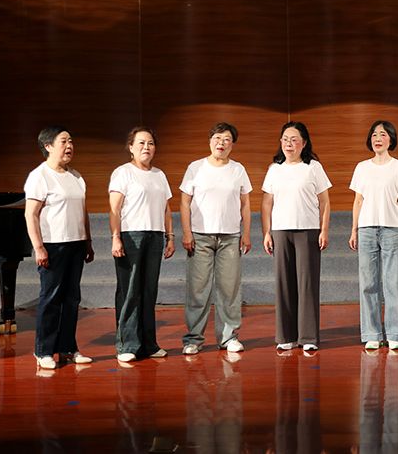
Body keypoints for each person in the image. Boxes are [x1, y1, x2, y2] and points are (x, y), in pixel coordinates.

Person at [24, 126, 95, 370]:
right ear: (48, 146)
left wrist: (88, 241)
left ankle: (67, 348)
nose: (69, 146)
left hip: (76, 243)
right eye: (63, 141)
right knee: (51, 298)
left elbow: (83, 212)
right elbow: (31, 214)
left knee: (72, 298)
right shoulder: (39, 176)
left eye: (71, 141)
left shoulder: (76, 176)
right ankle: (43, 350)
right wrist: (39, 247)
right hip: (53, 245)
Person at [180, 122, 252, 355]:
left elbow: (245, 204)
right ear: (210, 141)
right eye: (217, 138)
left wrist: (246, 233)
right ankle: (193, 339)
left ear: (232, 144)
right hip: (200, 237)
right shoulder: (195, 167)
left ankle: (229, 337)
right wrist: (187, 232)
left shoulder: (238, 169)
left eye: (227, 139)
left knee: (229, 289)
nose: (221, 143)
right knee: (198, 289)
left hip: (230, 237)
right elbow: (184, 202)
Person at [261, 122, 331, 352]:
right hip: (281, 231)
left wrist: (324, 229)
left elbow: (324, 201)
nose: (288, 144)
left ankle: (308, 336)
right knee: (284, 283)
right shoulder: (274, 169)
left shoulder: (313, 167)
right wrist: (267, 232)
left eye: (294, 139)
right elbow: (267, 203)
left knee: (307, 284)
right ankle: (286, 335)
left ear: (304, 143)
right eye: (285, 139)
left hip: (308, 230)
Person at [109, 127, 175, 363]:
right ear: (131, 147)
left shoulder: (159, 175)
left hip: (155, 235)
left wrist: (170, 236)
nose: (146, 147)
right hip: (131, 236)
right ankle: (127, 344)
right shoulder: (123, 172)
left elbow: (166, 208)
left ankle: (148, 344)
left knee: (149, 291)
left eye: (150, 143)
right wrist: (115, 237)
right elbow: (115, 209)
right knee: (130, 291)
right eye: (141, 143)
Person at [349, 120, 398, 350]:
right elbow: (358, 201)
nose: (378, 138)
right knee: (368, 283)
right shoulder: (362, 167)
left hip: (392, 228)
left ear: (391, 139)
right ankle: (372, 333)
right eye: (374, 134)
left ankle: (395, 333)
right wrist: (354, 229)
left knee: (393, 282)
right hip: (366, 229)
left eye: (383, 134)